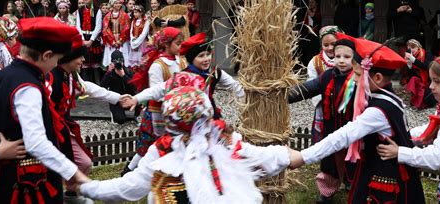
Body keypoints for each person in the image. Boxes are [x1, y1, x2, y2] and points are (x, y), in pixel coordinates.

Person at [78, 86, 290, 203]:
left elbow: (126, 187)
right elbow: (127, 186)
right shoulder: (162, 153)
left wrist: (85, 186)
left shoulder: (224, 142)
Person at [289, 35, 425, 204]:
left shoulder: (377, 110)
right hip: (383, 167)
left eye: (358, 74)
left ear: (377, 79)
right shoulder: (388, 98)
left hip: (384, 173)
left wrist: (303, 157)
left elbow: (344, 135)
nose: (353, 79)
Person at [0, 18, 88, 203]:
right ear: (46, 55)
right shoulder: (28, 87)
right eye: (57, 60)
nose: (56, 65)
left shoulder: (2, 76)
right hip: (25, 185)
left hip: (3, 177)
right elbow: (36, 142)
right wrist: (73, 172)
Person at [377, 51, 440, 203]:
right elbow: (434, 128)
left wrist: (400, 152)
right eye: (431, 80)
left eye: (437, 81)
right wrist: (406, 135)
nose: (431, 86)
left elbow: (438, 156)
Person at [50, 34, 124, 203]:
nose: (83, 60)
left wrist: (117, 98)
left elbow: (88, 88)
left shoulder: (71, 76)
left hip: (63, 126)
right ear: (68, 57)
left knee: (84, 162)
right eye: (80, 56)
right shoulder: (52, 78)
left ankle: (71, 194)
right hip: (49, 129)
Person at [288, 39, 357, 202]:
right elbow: (308, 89)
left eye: (347, 57)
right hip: (331, 127)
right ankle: (327, 190)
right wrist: (285, 97)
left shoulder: (359, 78)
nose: (341, 60)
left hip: (353, 129)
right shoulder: (327, 76)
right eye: (338, 56)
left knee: (354, 158)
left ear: (354, 58)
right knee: (330, 160)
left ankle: (351, 183)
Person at [122, 32, 245, 122]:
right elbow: (159, 89)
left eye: (208, 55)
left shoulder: (215, 73)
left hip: (210, 118)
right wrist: (137, 98)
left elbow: (235, 86)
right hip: (189, 122)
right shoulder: (184, 77)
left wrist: (252, 95)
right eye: (201, 56)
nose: (206, 59)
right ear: (192, 59)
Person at [124, 27, 186, 173]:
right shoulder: (158, 66)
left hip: (176, 110)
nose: (180, 46)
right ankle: (129, 171)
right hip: (157, 112)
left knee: (172, 142)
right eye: (178, 43)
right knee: (148, 146)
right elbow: (157, 92)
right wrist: (178, 97)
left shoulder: (181, 62)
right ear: (166, 44)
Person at [307, 25, 342, 141]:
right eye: (325, 45)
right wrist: (322, 100)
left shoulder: (345, 60)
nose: (330, 48)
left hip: (342, 103)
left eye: (333, 44)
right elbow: (311, 81)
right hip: (323, 105)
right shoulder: (315, 62)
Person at [100, 50, 137, 124]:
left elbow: (134, 88)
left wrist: (123, 76)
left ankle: (137, 115)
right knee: (120, 120)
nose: (119, 63)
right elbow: (102, 87)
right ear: (112, 62)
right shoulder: (110, 74)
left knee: (139, 98)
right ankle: (116, 113)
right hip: (116, 100)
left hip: (129, 98)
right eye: (116, 61)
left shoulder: (128, 72)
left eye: (120, 61)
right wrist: (108, 73)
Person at [76, 0, 104, 83]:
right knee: (85, 65)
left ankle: (98, 85)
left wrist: (91, 40)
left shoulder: (97, 10)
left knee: (95, 66)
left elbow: (98, 26)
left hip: (93, 40)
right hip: (84, 39)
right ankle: (85, 87)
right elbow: (78, 26)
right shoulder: (79, 11)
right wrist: (83, 40)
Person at [404, 39, 435, 109]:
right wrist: (409, 65)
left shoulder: (427, 54)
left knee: (421, 87)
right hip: (418, 79)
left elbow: (427, 66)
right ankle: (414, 101)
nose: (411, 50)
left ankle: (420, 103)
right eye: (409, 48)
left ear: (418, 47)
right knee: (413, 79)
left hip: (428, 79)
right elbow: (411, 74)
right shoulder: (411, 57)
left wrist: (414, 60)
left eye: (413, 47)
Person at [102, 0, 131, 68]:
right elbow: (106, 30)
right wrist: (112, 41)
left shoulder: (125, 15)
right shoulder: (107, 16)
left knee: (123, 61)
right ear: (112, 4)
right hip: (111, 42)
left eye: (119, 3)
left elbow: (126, 29)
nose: (118, 5)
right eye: (116, 3)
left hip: (122, 42)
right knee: (111, 61)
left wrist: (120, 41)